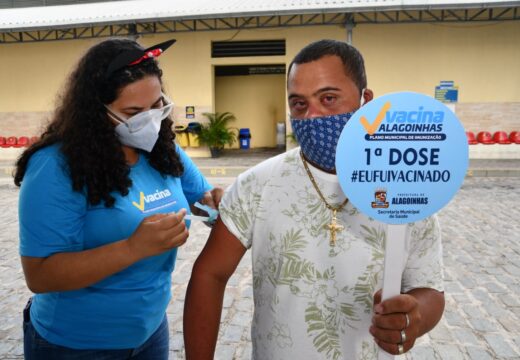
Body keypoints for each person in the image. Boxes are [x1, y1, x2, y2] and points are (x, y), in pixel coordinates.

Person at [184, 39, 445, 359]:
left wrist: (412, 317)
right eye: (299, 104)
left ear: (366, 101)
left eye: (329, 98)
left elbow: (429, 287)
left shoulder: (406, 187)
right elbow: (209, 274)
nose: (313, 116)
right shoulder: (256, 185)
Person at [15, 38, 221, 359]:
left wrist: (216, 202)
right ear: (95, 111)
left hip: (150, 332)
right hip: (76, 343)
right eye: (133, 112)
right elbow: (40, 275)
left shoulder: (162, 149)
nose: (150, 120)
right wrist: (132, 248)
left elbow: (200, 199)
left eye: (157, 106)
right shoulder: (56, 165)